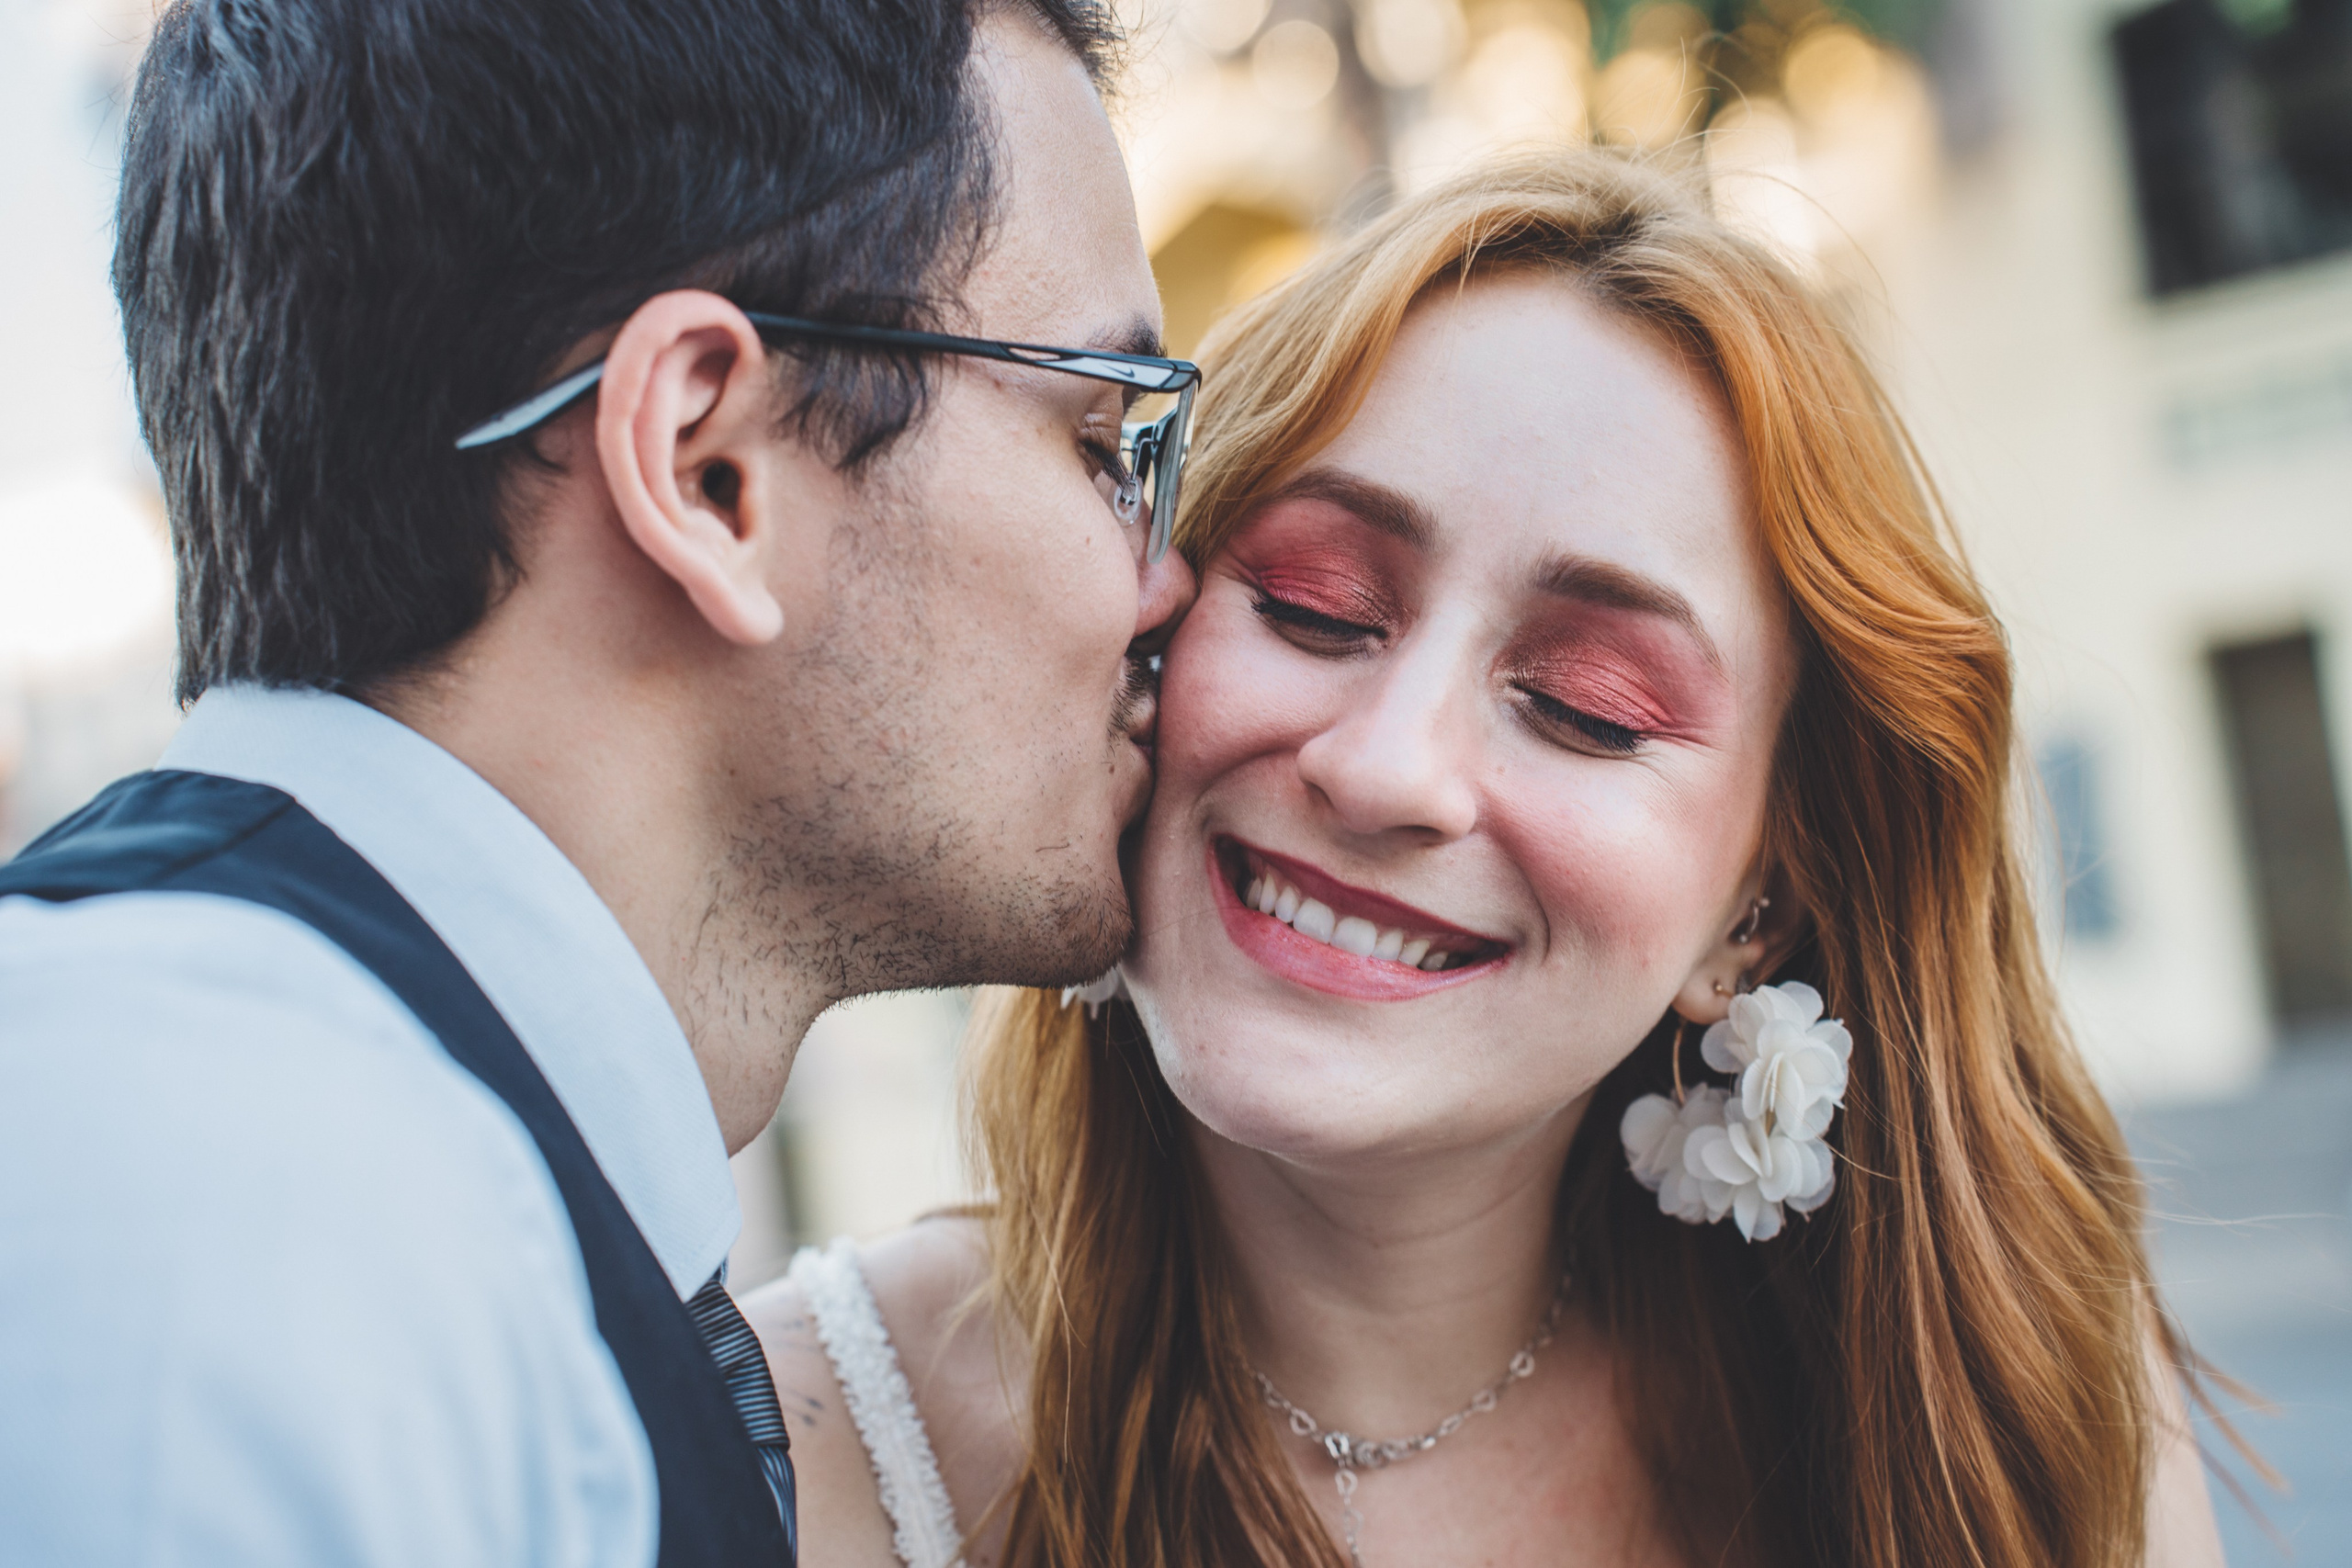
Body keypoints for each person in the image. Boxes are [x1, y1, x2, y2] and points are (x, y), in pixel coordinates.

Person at [751, 148, 2232, 1568]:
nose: (1387, 766)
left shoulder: (2019, 1415)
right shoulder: (769, 1460)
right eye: (1321, 606)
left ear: (1757, 913)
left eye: (1588, 709)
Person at [0, 0, 1193, 1563]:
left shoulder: (361, 1166)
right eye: (1106, 437)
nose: (1163, 585)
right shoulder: (213, 1205)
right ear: (710, 467)